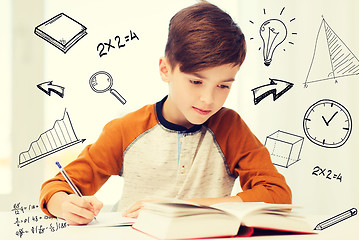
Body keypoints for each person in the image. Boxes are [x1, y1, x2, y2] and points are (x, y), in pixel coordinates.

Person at [39, 1, 291, 225]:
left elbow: (277, 194)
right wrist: (64, 205)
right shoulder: (126, 129)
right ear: (165, 69)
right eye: (195, 82)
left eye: (223, 85)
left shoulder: (230, 127)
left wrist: (186, 209)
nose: (208, 98)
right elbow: (56, 187)